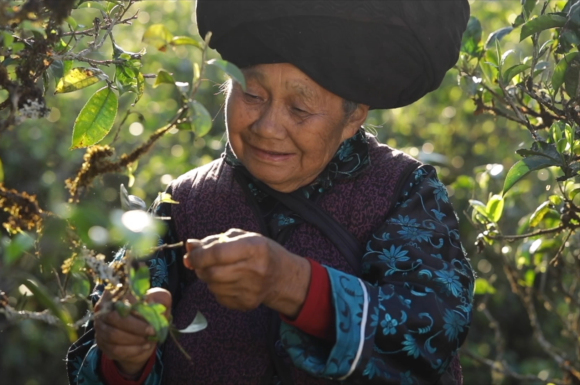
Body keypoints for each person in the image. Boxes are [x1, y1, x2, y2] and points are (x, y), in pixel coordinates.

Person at [67, 1, 474, 384]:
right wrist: (125, 356)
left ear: (354, 118)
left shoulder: (403, 192)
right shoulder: (184, 203)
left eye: (299, 108)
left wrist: (293, 284)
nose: (267, 126)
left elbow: (433, 331)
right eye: (253, 94)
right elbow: (100, 341)